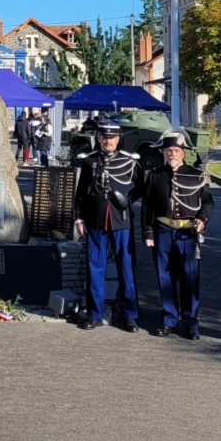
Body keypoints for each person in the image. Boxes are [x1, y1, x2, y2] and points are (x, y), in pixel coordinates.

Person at [74, 118, 145, 331]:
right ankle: (94, 313)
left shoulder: (130, 161)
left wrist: (128, 200)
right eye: (104, 137)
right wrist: (79, 217)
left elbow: (141, 186)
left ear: (118, 139)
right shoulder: (89, 161)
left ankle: (129, 314)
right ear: (99, 138)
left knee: (126, 267)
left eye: (112, 137)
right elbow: (81, 193)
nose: (108, 141)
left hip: (120, 219)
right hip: (95, 219)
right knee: (95, 266)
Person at [142, 131, 213, 339]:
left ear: (184, 154)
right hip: (162, 230)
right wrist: (147, 231)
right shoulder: (155, 175)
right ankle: (169, 319)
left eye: (176, 150)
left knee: (189, 277)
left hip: (187, 233)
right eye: (168, 150)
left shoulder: (196, 175)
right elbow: (147, 206)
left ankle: (191, 322)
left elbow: (208, 202)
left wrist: (202, 219)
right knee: (165, 277)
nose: (171, 154)